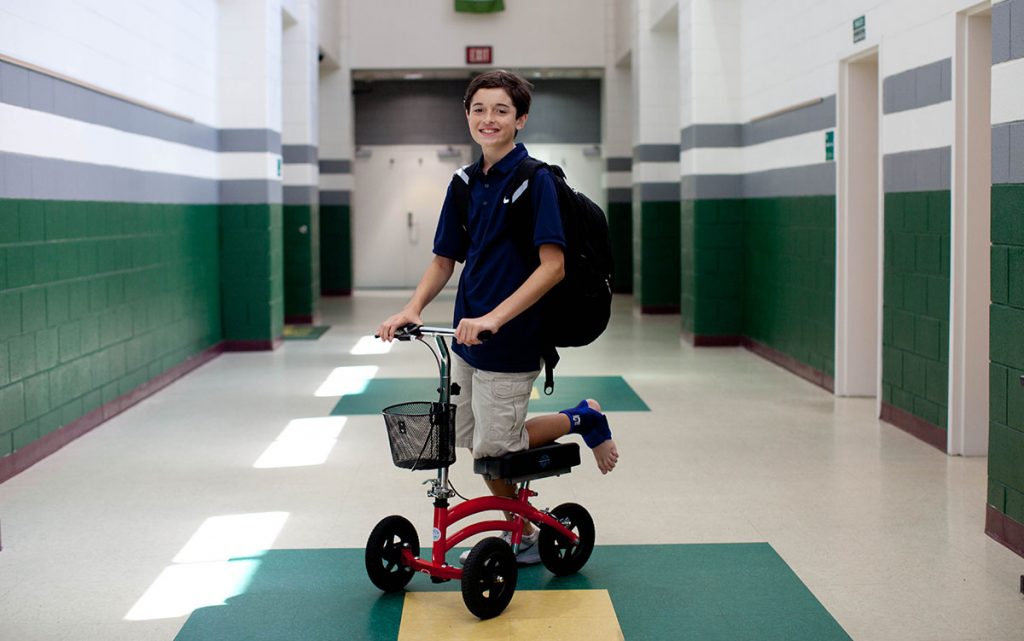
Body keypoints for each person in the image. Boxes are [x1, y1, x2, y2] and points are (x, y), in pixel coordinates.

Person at [377, 70, 618, 564]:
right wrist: (412, 308)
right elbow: (444, 260)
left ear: (520, 119)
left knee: (498, 447)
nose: (488, 119)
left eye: (501, 110)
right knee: (474, 441)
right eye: (479, 109)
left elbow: (553, 267)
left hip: (513, 337)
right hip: (466, 338)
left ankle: (581, 420)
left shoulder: (536, 181)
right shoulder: (463, 183)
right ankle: (520, 525)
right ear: (467, 115)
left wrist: (495, 318)